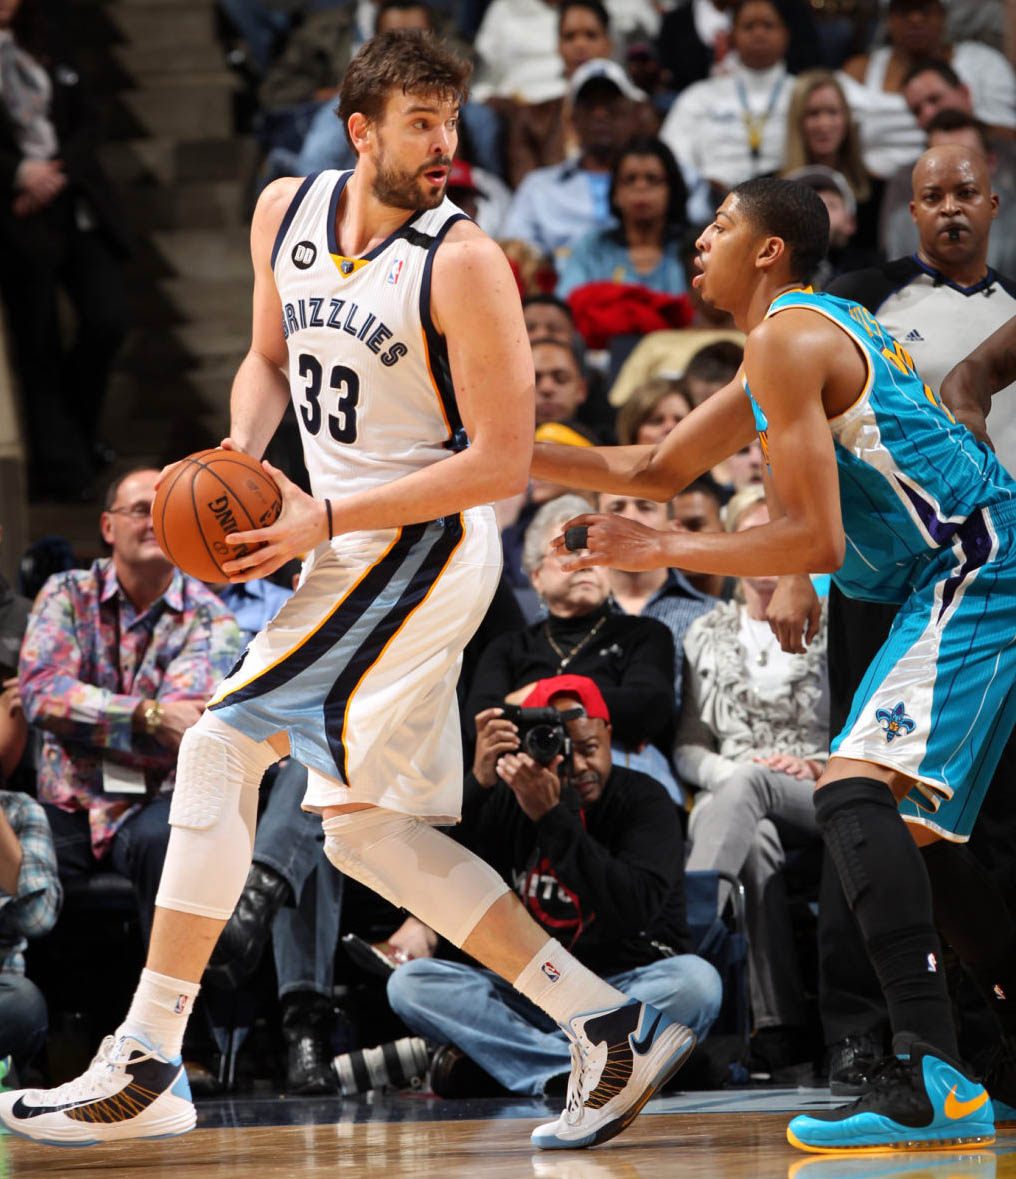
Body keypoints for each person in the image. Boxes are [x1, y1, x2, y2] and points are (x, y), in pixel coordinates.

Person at [0, 31, 695, 1152]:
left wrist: (319, 514)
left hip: (423, 543)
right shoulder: (286, 208)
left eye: (451, 121)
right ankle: (602, 1023)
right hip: (344, 544)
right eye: (419, 123)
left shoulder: (461, 261)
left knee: (225, 743)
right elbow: (269, 359)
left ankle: (144, 1060)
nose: (442, 144)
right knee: (363, 836)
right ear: (358, 126)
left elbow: (504, 462)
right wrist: (231, 464)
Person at [529, 173, 1016, 1151]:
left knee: (848, 791)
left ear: (766, 249)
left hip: (979, 562)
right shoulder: (800, 335)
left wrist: (654, 548)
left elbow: (812, 542)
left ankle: (929, 1073)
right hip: (962, 566)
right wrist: (507, 454)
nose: (695, 240)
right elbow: (655, 470)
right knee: (917, 829)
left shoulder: (790, 337)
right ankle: (990, 1061)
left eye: (716, 223)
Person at [387, 675, 722, 1097]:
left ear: (609, 736)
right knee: (411, 984)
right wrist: (478, 783)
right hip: (532, 992)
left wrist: (552, 818)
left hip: (618, 990)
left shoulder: (644, 799)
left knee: (697, 982)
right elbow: (435, 872)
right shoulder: (509, 799)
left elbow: (632, 906)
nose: (579, 767)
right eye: (562, 752)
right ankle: (578, 1071)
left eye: (589, 749)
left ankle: (514, 1067)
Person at [17, 468, 240, 943]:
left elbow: (187, 723)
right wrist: (148, 715)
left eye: (166, 513)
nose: (154, 523)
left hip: (156, 802)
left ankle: (171, 1012)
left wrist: (87, 715)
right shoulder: (66, 594)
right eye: (140, 511)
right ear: (107, 527)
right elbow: (40, 693)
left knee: (171, 843)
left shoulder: (212, 618)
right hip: (69, 802)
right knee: (14, 853)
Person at [679, 485, 827, 1078]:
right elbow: (688, 748)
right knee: (754, 835)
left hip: (822, 786)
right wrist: (732, 774)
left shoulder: (830, 621)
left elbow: (858, 725)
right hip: (728, 792)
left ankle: (686, 938)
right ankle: (778, 1026)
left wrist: (815, 764)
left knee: (754, 791)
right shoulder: (702, 633)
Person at [0, 0, 129, 499]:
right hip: (16, 215)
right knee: (39, 344)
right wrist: (18, 173)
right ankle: (64, 468)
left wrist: (54, 173)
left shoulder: (51, 35)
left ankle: (77, 437)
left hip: (76, 200)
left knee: (107, 319)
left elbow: (87, 118)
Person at [660, 0, 794, 221]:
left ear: (786, 34)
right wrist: (703, 185)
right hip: (713, 213)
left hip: (788, 209)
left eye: (768, 26)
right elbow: (672, 158)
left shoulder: (803, 94)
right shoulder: (700, 96)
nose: (759, 33)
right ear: (732, 36)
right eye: (749, 26)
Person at [501, 58, 644, 258]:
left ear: (632, 114)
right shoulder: (538, 188)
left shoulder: (662, 179)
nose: (600, 114)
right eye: (590, 105)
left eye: (610, 103)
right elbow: (516, 253)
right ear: (573, 118)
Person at [556, 136, 688, 300]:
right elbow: (569, 304)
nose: (641, 187)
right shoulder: (593, 247)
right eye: (630, 180)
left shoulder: (692, 248)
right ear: (615, 193)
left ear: (672, 190)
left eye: (652, 179)